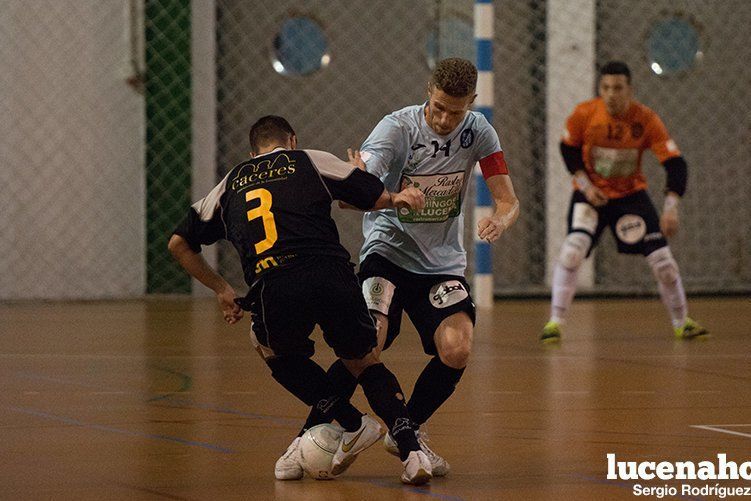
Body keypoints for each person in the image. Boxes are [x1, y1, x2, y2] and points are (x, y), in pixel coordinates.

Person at [278, 57, 520, 476]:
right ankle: (306, 436)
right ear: (428, 92)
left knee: (458, 349)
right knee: (368, 343)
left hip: (441, 262)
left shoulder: (479, 131)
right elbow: (357, 186)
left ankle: (407, 430)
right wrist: (359, 177)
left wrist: (500, 219)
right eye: (438, 107)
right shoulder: (397, 127)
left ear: (472, 104)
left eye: (455, 111)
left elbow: (508, 199)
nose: (445, 119)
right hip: (387, 250)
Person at [168, 115, 433, 485]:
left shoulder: (230, 183)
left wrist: (222, 290)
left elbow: (178, 244)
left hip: (275, 284)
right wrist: (379, 186)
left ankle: (352, 422)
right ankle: (413, 453)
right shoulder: (310, 159)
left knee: (271, 350)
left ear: (252, 152)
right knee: (364, 360)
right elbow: (373, 195)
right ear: (291, 141)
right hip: (331, 275)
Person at [540, 61, 708, 343]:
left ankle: (683, 322)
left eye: (618, 88)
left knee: (663, 263)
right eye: (605, 88)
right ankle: (555, 323)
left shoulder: (646, 119)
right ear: (599, 89)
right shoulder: (585, 114)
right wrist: (586, 186)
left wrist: (671, 208)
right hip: (592, 194)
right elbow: (567, 149)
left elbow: (676, 164)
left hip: (631, 196)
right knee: (572, 251)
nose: (611, 94)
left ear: (630, 89)